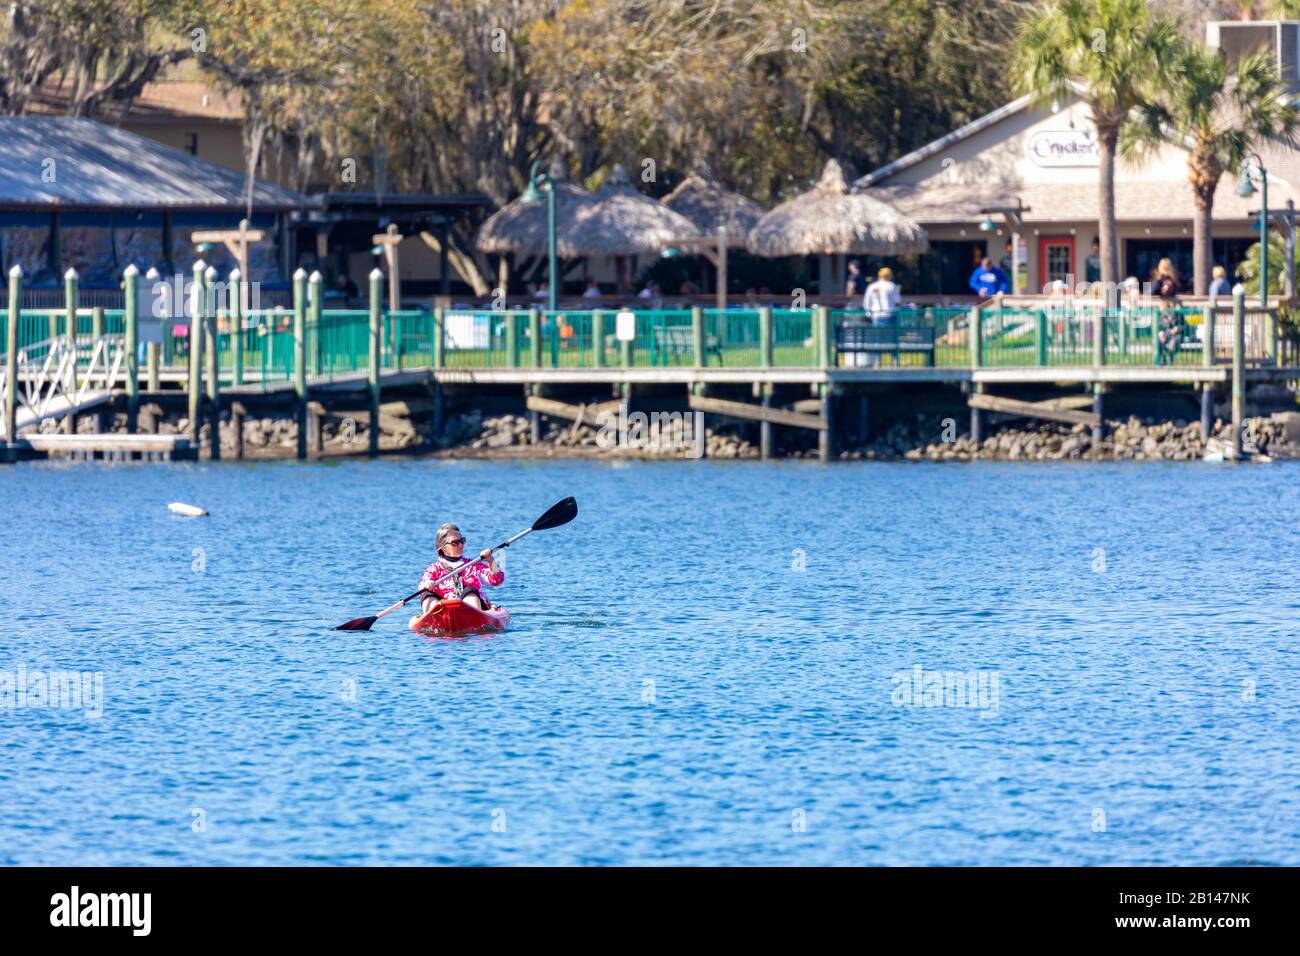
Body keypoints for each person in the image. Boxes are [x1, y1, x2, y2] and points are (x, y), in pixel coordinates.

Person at [418, 523, 505, 613]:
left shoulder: (473, 565)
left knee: (469, 591)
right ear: (442, 547)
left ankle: (472, 616)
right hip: (444, 612)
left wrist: (491, 561)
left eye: (462, 541)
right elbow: (422, 586)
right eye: (455, 543)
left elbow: (497, 580)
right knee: (427, 595)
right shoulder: (434, 569)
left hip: (473, 612)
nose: (461, 545)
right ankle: (432, 618)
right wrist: (427, 585)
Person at [1152, 257, 1182, 362]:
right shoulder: (1173, 280)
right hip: (1172, 310)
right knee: (1170, 334)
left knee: (1161, 333)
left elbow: (1153, 291)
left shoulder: (1159, 280)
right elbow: (1177, 291)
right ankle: (1167, 357)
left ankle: (1160, 359)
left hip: (1162, 310)